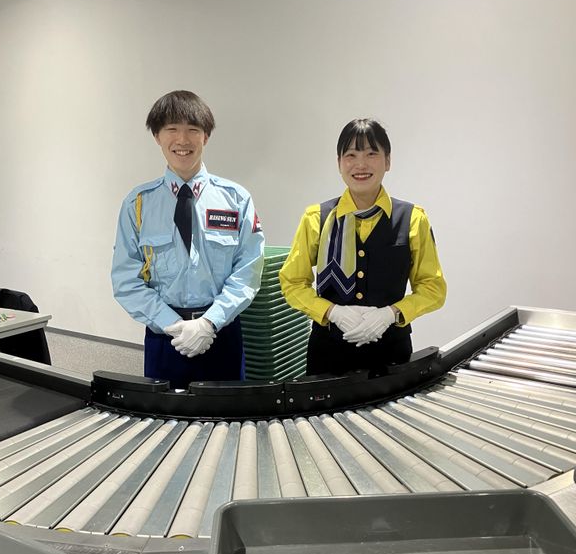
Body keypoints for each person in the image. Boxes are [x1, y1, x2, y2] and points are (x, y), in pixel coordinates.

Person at [111, 90, 264, 388]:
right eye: (171, 129)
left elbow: (248, 270)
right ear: (157, 136)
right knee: (165, 415)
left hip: (221, 334)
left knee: (227, 414)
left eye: (193, 129)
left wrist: (209, 322)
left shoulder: (235, 199)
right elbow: (125, 280)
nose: (182, 140)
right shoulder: (138, 204)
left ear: (206, 136)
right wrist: (172, 324)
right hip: (165, 339)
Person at [280, 118, 446, 375]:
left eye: (371, 153)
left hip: (391, 353)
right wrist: (332, 312)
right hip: (328, 353)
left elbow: (433, 288)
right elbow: (292, 282)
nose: (360, 164)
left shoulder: (413, 219)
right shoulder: (316, 218)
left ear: (387, 161)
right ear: (339, 163)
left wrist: (391, 314)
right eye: (351, 155)